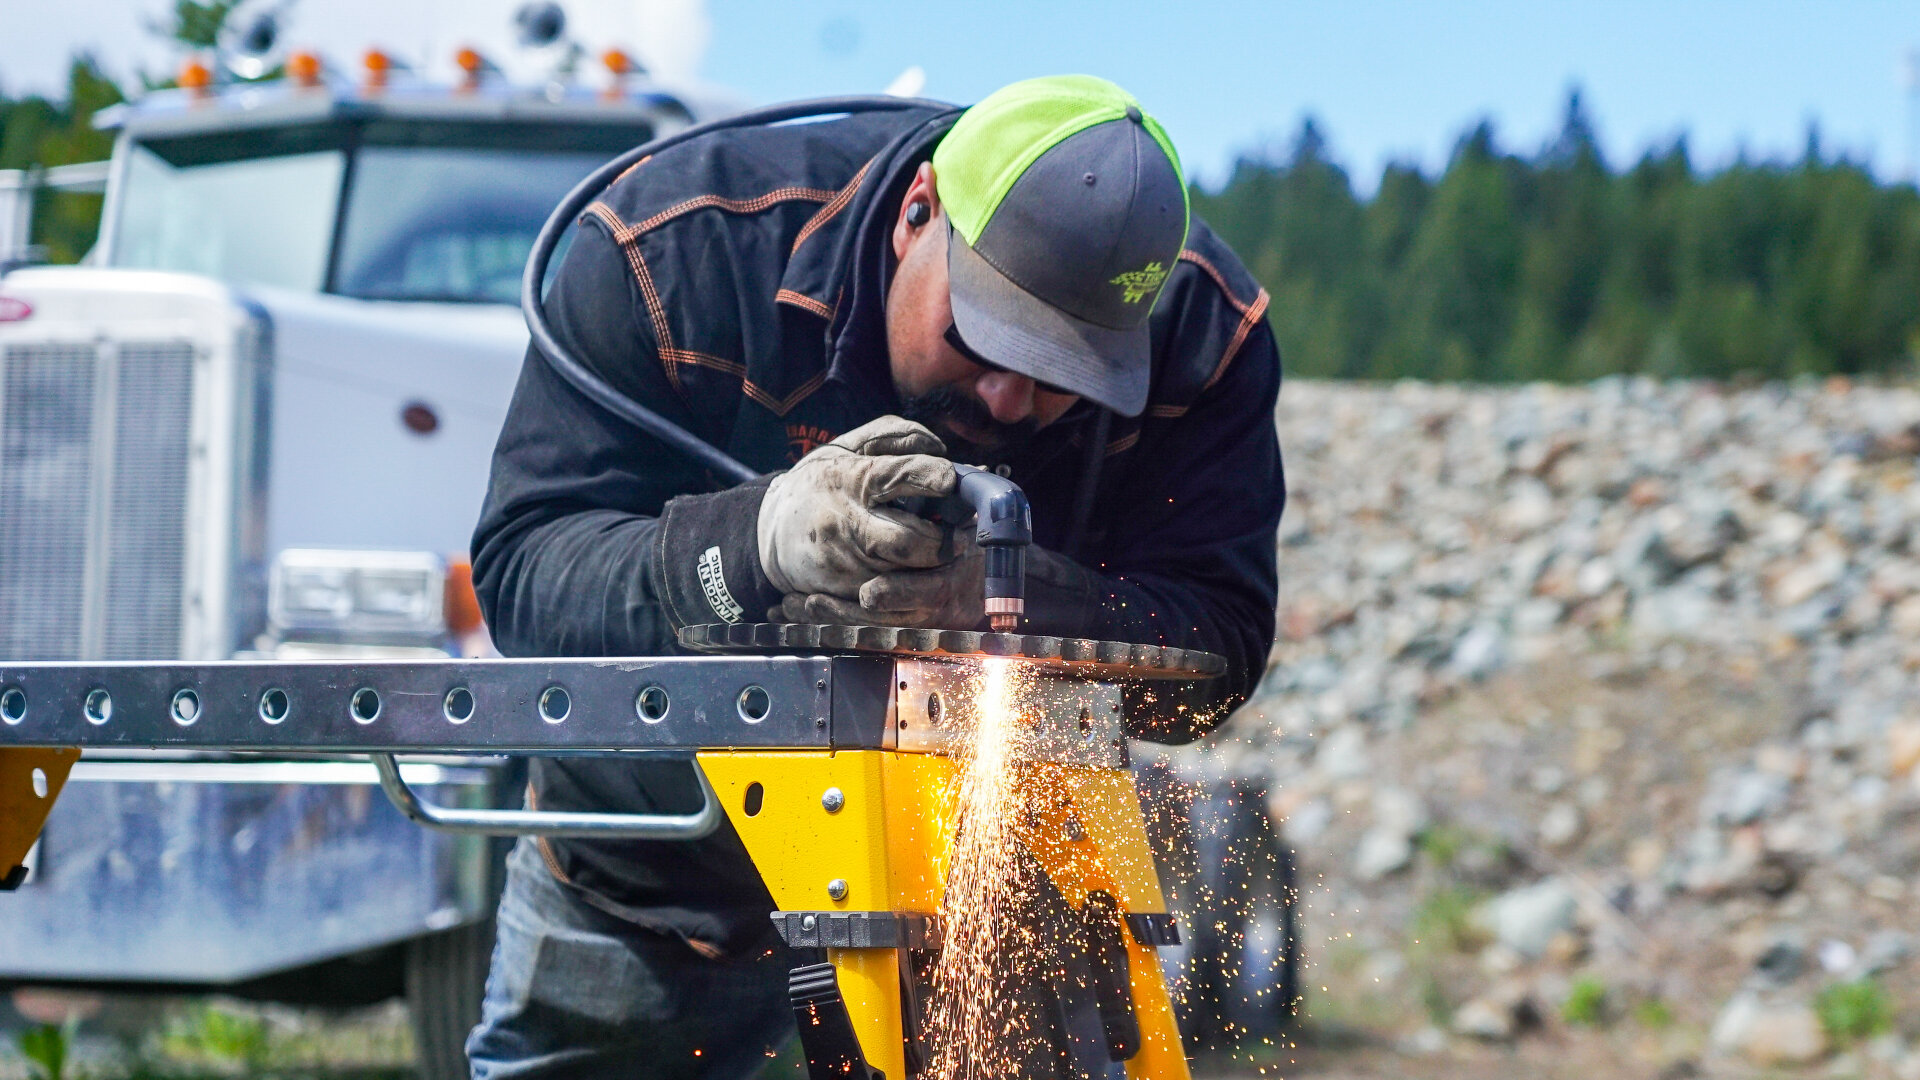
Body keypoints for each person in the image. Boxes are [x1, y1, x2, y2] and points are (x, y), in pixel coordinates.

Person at [465, 75, 1285, 1078]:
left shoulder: (1204, 333)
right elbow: (525, 575)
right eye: (983, 337)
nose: (1011, 395)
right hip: (659, 880)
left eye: (1065, 374)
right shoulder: (676, 251)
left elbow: (1219, 644)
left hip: (986, 897)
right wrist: (754, 543)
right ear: (917, 213)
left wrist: (1012, 599)